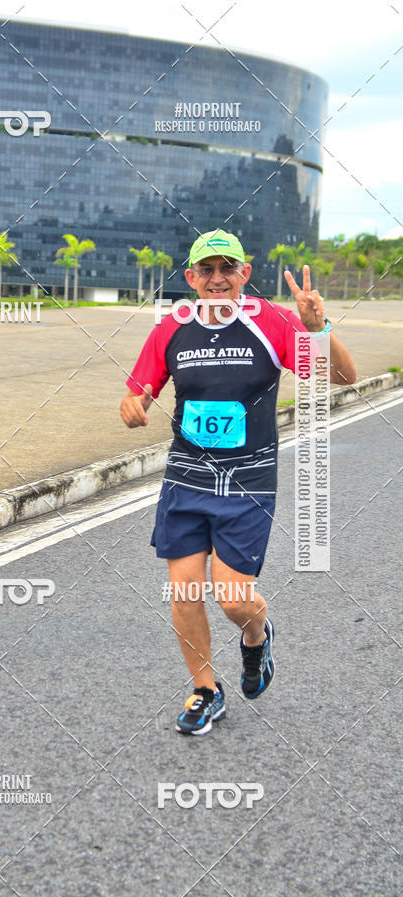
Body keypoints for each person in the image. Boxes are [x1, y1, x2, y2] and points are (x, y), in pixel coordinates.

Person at [120, 229, 356, 735]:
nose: (217, 278)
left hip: (248, 481)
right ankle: (205, 689)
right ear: (191, 278)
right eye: (206, 269)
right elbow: (140, 389)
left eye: (228, 268)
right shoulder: (172, 328)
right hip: (186, 479)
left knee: (232, 598)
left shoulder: (271, 322)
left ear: (245, 274)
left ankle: (256, 634)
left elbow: (344, 377)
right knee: (183, 593)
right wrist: (134, 405)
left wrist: (319, 329)